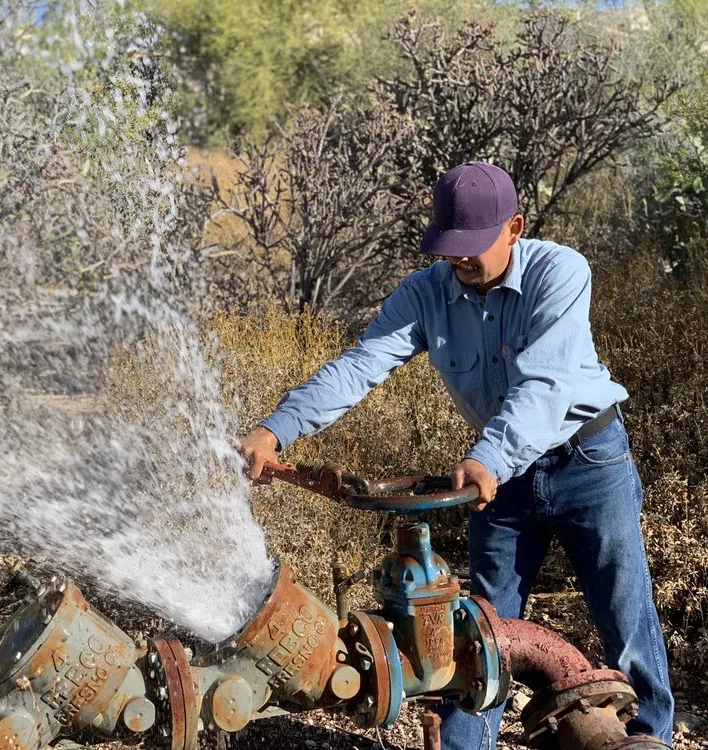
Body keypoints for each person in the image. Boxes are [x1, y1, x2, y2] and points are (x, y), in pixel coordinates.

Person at [238, 161, 674, 749]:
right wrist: (277, 429)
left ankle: (653, 738)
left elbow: (544, 386)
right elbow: (359, 367)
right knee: (478, 628)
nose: (461, 260)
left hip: (588, 462)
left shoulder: (561, 273)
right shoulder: (425, 293)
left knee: (623, 611)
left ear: (515, 228)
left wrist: (489, 456)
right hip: (498, 483)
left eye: (474, 247)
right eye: (450, 248)